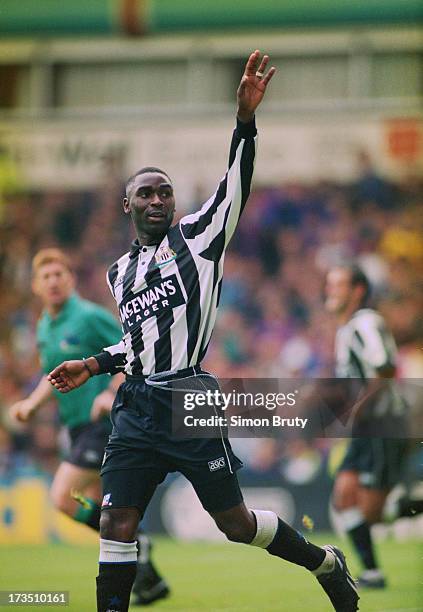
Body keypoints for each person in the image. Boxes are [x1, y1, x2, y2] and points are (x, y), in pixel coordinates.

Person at [48, 51, 359, 612]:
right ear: (128, 206)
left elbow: (237, 181)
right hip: (137, 406)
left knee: (236, 525)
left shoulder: (199, 238)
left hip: (191, 399)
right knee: (116, 521)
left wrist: (244, 121)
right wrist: (94, 364)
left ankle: (325, 563)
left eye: (164, 192)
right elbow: (139, 342)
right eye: (146, 193)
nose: (157, 199)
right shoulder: (119, 273)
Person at [10, 247, 169, 606]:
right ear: (35, 286)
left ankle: (138, 542)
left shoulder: (88, 316)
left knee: (64, 498)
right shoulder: (44, 326)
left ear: (71, 279)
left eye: (59, 275)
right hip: (78, 429)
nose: (53, 282)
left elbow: (134, 350)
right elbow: (53, 375)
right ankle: (148, 580)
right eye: (46, 277)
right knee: (109, 514)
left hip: (105, 421)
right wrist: (31, 405)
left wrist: (110, 391)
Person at [325, 263, 414, 589]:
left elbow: (385, 368)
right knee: (343, 499)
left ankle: (414, 506)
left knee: (373, 513)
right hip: (365, 430)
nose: (329, 291)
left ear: (357, 291)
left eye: (337, 285)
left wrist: (357, 409)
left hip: (382, 425)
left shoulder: (365, 322)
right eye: (329, 285)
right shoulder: (346, 329)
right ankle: (373, 573)